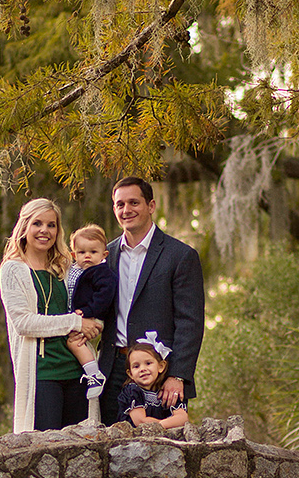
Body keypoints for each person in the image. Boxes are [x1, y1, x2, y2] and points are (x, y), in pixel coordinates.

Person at [96, 176, 205, 419]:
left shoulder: (180, 256)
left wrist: (178, 376)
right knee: (110, 449)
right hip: (112, 369)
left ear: (151, 206)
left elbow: (190, 322)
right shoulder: (105, 256)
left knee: (161, 450)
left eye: (134, 202)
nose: (126, 210)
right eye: (120, 204)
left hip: (160, 375)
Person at [0, 198, 103, 432]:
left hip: (78, 370)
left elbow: (91, 301)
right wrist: (75, 322)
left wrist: (93, 324)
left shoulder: (66, 266)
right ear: (24, 227)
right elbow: (23, 323)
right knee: (45, 449)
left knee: (80, 450)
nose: (45, 230)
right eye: (38, 223)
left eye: (52, 225)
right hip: (42, 373)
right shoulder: (13, 269)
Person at [62, 225, 115, 396]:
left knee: (74, 342)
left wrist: (87, 312)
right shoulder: (74, 270)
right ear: (73, 254)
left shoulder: (102, 273)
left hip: (92, 315)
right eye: (81, 252)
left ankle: (94, 374)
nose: (87, 256)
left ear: (103, 255)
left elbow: (104, 297)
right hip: (77, 316)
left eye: (93, 252)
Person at [118, 333, 189, 432]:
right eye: (136, 366)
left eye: (148, 363)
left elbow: (182, 418)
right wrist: (167, 424)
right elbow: (140, 421)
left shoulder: (167, 391)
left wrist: (161, 425)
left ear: (161, 366)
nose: (142, 369)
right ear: (130, 374)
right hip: (135, 440)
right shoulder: (132, 391)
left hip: (163, 438)